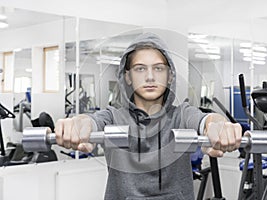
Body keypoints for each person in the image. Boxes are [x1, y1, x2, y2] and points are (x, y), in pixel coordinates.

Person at [55, 32, 242, 200]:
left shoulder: (182, 115)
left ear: (170, 75)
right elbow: (92, 122)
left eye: (159, 68)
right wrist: (77, 125)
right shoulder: (113, 117)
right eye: (140, 69)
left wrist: (218, 125)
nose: (150, 77)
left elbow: (204, 120)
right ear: (127, 76)